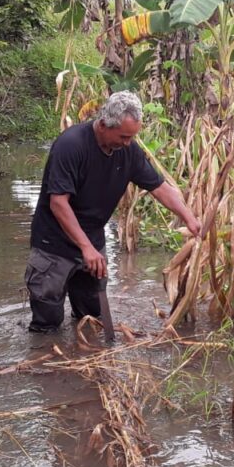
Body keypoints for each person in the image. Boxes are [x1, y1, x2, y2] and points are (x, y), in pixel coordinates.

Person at [25, 91, 201, 333]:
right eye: (123, 136)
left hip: (93, 244)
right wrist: (85, 247)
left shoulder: (128, 151)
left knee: (92, 318)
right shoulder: (71, 145)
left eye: (132, 137)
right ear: (105, 124)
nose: (128, 143)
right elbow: (58, 203)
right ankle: (47, 366)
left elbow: (159, 188)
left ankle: (85, 358)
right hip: (53, 246)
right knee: (47, 324)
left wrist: (189, 217)